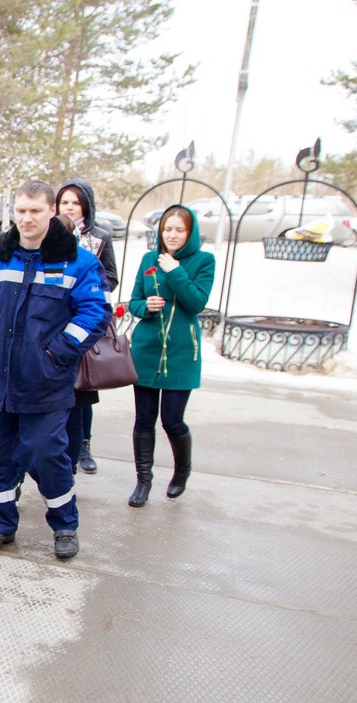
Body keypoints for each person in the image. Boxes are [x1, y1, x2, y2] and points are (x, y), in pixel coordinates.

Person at [0, 180, 109, 560]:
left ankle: (65, 525)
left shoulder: (77, 262)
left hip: (45, 383)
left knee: (46, 456)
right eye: (21, 211)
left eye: (35, 211)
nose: (27, 218)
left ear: (52, 211)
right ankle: (0, 523)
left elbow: (95, 312)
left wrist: (57, 352)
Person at [127, 205, 214, 507]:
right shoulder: (148, 259)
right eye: (167, 229)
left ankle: (181, 472)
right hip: (147, 350)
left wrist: (175, 271)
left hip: (181, 354)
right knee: (144, 420)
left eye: (179, 229)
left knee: (173, 421)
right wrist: (144, 306)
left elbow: (196, 303)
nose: (172, 235)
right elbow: (134, 301)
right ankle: (143, 480)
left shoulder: (204, 261)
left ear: (190, 233)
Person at [55, 179, 119, 475]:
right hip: (54, 322)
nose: (69, 207)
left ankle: (83, 444)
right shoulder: (49, 232)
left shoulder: (99, 237)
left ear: (85, 206)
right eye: (64, 202)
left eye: (75, 203)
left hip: (84, 319)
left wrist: (86, 274)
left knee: (83, 389)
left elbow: (110, 276)